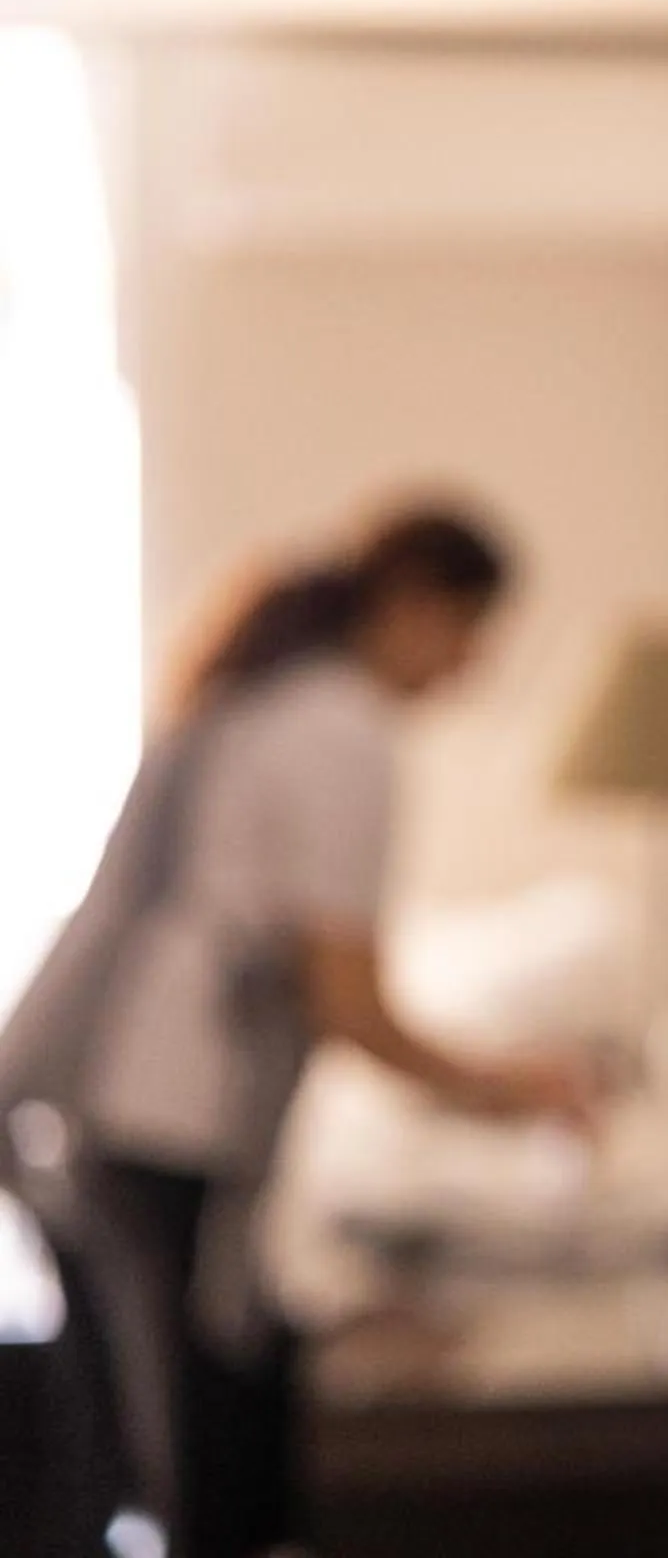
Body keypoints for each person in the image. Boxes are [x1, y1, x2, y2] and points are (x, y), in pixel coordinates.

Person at [0, 501, 603, 1557]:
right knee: (198, 1447)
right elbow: (352, 1003)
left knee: (154, 1431)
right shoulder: (342, 734)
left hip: (97, 1105)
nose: (471, 668)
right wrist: (513, 1090)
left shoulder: (254, 701)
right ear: (415, 603)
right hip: (164, 1121)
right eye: (470, 633)